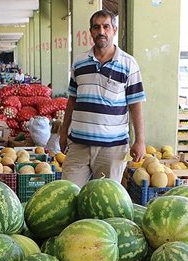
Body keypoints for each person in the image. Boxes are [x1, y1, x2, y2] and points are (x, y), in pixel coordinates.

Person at [59, 9, 146, 188]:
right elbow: (72, 100)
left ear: (113, 29)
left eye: (106, 27)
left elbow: (135, 104)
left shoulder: (128, 64)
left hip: (112, 149)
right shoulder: (79, 62)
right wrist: (63, 131)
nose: (101, 32)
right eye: (96, 27)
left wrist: (140, 141)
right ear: (91, 32)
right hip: (78, 145)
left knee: (105, 201)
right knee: (68, 194)